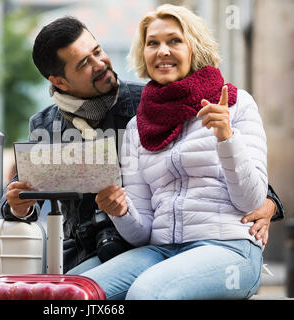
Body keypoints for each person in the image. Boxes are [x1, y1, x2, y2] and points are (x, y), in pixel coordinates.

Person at [0, 15, 284, 274]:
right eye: (84, 63)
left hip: (139, 247)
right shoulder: (46, 126)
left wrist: (269, 201)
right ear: (59, 82)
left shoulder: (146, 104)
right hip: (82, 252)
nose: (100, 65)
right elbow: (21, 191)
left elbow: (208, 154)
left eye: (97, 51)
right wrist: (19, 207)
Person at [79, 4, 276, 300]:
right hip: (160, 250)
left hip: (228, 247)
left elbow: (250, 200)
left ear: (194, 47)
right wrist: (120, 211)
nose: (162, 51)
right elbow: (141, 232)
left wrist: (227, 138)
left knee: (146, 293)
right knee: (72, 290)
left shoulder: (236, 104)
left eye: (174, 41)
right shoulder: (138, 126)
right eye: (152, 43)